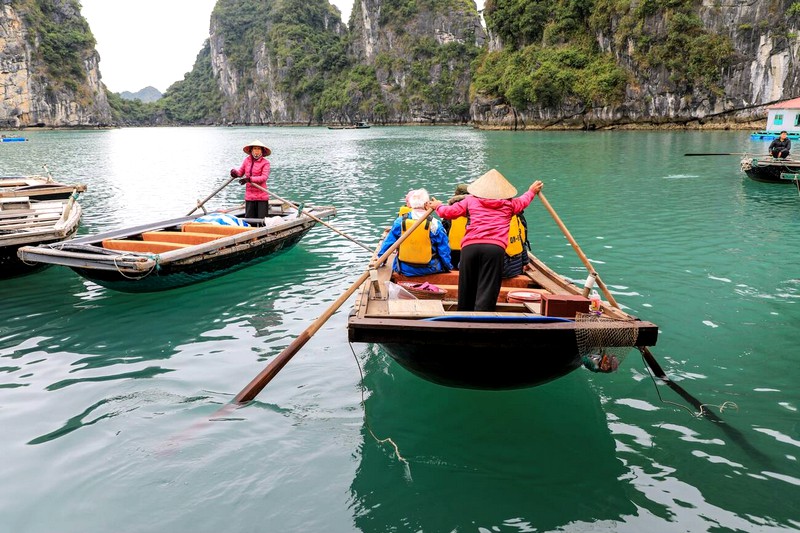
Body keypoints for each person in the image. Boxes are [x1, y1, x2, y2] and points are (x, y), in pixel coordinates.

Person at [427, 169, 543, 312]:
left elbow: (448, 212)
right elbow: (524, 200)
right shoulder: (510, 204)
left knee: (466, 285)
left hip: (470, 248)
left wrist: (437, 205)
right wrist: (531, 191)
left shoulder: (470, 200)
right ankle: (482, 319)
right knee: (488, 286)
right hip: (494, 249)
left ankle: (463, 317)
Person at [378, 188, 452, 277]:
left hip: (403, 268)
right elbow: (444, 250)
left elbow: (388, 243)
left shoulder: (400, 222)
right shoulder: (435, 224)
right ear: (426, 204)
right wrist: (448, 267)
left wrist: (381, 260)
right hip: (430, 269)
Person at [230, 140, 271, 219]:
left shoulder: (265, 163)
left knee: (262, 220)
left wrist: (249, 179)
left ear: (262, 151)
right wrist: (234, 173)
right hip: (249, 196)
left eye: (259, 149)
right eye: (255, 148)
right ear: (251, 150)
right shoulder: (247, 160)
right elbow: (240, 172)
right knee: (249, 219)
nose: (256, 151)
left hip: (261, 195)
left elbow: (264, 177)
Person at [441, 183, 469, 268]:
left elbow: (444, 232)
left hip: (452, 253)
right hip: (468, 251)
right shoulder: (474, 210)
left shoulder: (449, 212)